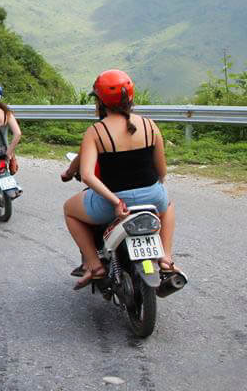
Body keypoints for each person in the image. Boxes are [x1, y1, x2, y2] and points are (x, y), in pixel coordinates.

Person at [63, 69, 178, 290]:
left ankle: (95, 266)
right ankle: (166, 258)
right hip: (153, 199)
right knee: (169, 205)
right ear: (131, 97)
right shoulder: (149, 125)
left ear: (100, 102)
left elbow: (86, 175)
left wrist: (116, 202)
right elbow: (161, 172)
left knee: (69, 210)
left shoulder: (96, 131)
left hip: (113, 203)